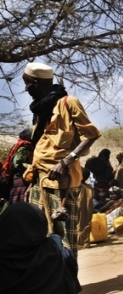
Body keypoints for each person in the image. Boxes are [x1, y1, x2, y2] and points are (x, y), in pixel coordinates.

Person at [22, 62, 101, 257]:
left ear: (37, 82)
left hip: (61, 181)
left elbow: (91, 135)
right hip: (39, 180)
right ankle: (47, 280)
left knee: (64, 237)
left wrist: (65, 161)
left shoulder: (68, 103)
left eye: (28, 84)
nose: (26, 89)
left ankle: (68, 281)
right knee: (41, 234)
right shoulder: (41, 110)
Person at [0, 201, 79, 294]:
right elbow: (58, 236)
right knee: (67, 258)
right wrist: (56, 221)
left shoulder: (3, 258)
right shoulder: (52, 249)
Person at [0, 128, 33, 204]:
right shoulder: (25, 147)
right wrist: (30, 167)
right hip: (20, 178)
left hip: (16, 178)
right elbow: (17, 162)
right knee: (19, 202)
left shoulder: (19, 145)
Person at [76, 167, 94, 249]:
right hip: (88, 210)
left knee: (78, 225)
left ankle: (79, 244)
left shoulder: (77, 187)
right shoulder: (89, 187)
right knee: (86, 224)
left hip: (78, 209)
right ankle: (85, 243)